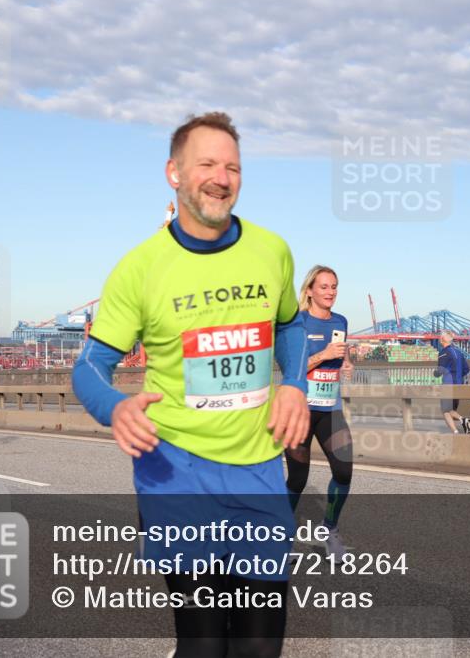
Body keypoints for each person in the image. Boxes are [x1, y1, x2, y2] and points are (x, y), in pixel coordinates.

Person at [72, 111, 310, 657]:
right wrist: (115, 407)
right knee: (204, 646)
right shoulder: (140, 268)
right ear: (173, 173)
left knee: (258, 648)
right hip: (175, 472)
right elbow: (88, 365)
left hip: (256, 473)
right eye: (206, 163)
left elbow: (290, 323)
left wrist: (294, 383)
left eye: (233, 166)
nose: (221, 177)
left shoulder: (272, 250)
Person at [284, 265, 354, 562]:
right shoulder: (297, 323)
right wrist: (323, 355)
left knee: (343, 469)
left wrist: (348, 364)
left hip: (330, 409)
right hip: (299, 410)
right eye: (324, 287)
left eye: (334, 286)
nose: (330, 292)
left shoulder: (341, 321)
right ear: (310, 290)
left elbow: (342, 353)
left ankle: (330, 531)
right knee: (298, 479)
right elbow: (292, 369)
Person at [435, 330, 470, 434]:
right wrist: (458, 377)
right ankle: (463, 420)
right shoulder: (459, 352)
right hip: (459, 385)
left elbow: (440, 370)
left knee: (445, 410)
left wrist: (436, 373)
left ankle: (456, 430)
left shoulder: (443, 353)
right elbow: (467, 369)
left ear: (442, 339)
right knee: (451, 409)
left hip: (448, 385)